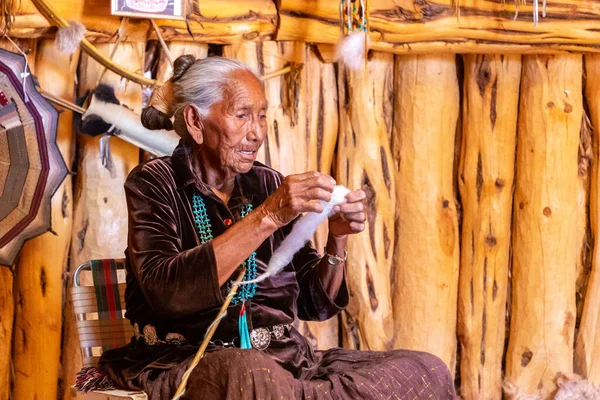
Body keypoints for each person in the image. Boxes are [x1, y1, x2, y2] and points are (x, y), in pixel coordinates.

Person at [99, 54, 456, 399]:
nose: (256, 133)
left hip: (288, 365)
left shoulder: (267, 184)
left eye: (262, 117)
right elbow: (168, 293)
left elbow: (314, 304)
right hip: (193, 363)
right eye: (242, 116)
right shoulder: (154, 183)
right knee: (249, 376)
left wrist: (337, 240)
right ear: (195, 121)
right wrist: (267, 216)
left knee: (425, 369)